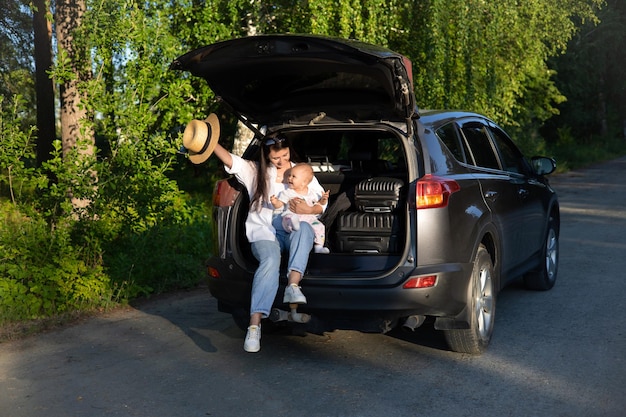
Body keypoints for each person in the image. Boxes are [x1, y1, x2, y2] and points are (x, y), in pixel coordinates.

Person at [182, 114, 326, 352]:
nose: (281, 161)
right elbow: (232, 160)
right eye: (276, 158)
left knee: (306, 232)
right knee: (270, 260)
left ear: (290, 151)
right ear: (266, 156)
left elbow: (322, 203)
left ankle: (293, 287)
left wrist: (310, 208)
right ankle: (254, 326)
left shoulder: (303, 172)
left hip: (293, 229)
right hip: (265, 233)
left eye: (285, 156)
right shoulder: (255, 172)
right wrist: (210, 143)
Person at [270, 163, 330, 254]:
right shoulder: (287, 193)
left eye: (293, 176)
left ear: (304, 183)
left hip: (308, 218)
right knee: (287, 218)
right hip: (291, 215)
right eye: (289, 175)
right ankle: (294, 225)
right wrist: (275, 202)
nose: (289, 178)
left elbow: (318, 204)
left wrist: (323, 200)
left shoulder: (312, 193)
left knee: (320, 226)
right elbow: (280, 205)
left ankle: (319, 246)